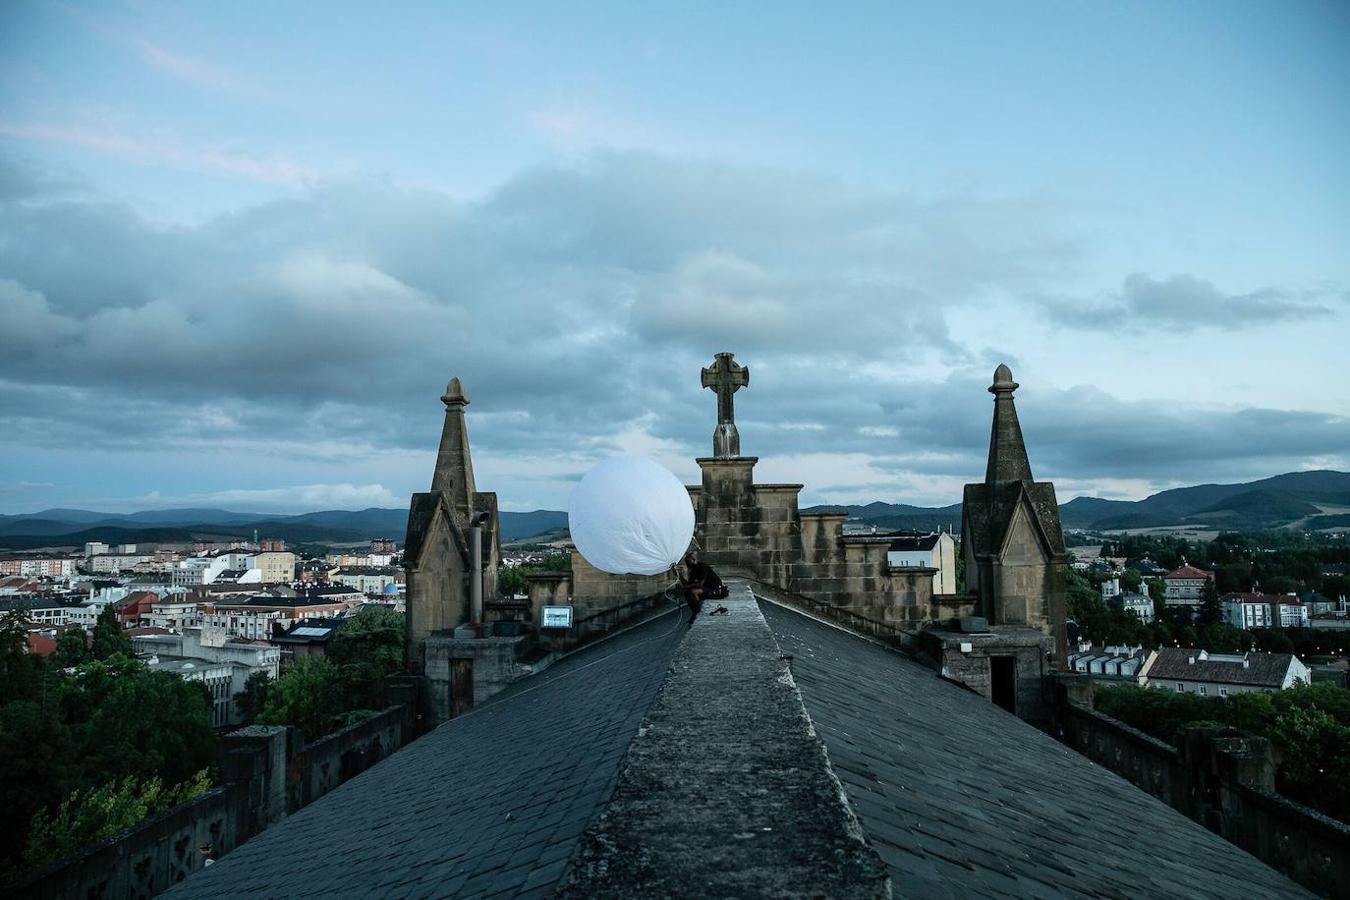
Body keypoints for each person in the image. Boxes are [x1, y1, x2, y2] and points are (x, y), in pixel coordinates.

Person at [678, 551, 727, 624]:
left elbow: (700, 584)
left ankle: (698, 613)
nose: (687, 565)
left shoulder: (702, 567)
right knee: (686, 591)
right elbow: (689, 584)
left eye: (688, 562)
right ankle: (695, 612)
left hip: (716, 590)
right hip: (707, 589)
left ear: (694, 560)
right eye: (686, 563)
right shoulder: (693, 570)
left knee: (693, 591)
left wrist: (685, 586)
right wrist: (678, 575)